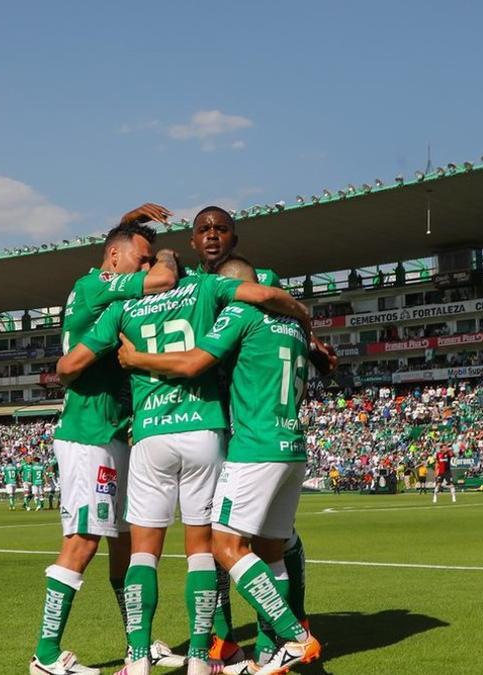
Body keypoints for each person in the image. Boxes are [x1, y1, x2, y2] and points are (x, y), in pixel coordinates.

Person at [58, 254, 312, 675]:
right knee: (202, 552)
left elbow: (69, 365)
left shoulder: (124, 307)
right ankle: (200, 657)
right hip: (204, 429)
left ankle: (137, 657)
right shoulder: (206, 290)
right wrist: (303, 313)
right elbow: (262, 295)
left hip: (150, 434)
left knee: (143, 553)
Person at [28, 206, 180, 675]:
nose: (146, 265)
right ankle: (47, 655)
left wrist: (130, 222)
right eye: (141, 258)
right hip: (89, 435)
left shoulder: (104, 289)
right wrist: (169, 256)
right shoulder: (95, 285)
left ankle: (138, 644)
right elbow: (162, 282)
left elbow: (124, 244)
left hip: (114, 435)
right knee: (83, 542)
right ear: (114, 257)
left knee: (127, 543)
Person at [182, 207, 332, 664]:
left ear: (234, 236)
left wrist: (312, 332)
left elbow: (197, 360)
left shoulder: (256, 285)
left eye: (220, 228)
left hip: (248, 428)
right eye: (204, 229)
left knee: (233, 541)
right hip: (232, 424)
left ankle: (287, 630)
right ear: (193, 241)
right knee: (252, 541)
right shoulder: (185, 283)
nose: (212, 235)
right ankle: (231, 639)